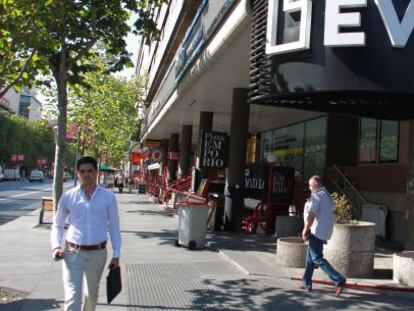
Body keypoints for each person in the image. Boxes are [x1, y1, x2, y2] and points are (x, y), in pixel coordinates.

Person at [50, 156, 121, 311]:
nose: (86, 174)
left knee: (92, 295)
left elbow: (114, 226)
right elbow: (58, 224)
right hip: (72, 253)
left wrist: (117, 254)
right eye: (82, 171)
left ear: (96, 172)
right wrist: (56, 246)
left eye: (90, 171)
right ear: (77, 173)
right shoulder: (68, 196)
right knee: (72, 296)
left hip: (98, 253)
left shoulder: (108, 196)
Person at [301, 175, 346, 297]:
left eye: (310, 185)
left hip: (316, 231)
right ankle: (306, 282)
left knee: (316, 258)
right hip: (322, 231)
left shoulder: (316, 196)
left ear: (315, 184)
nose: (309, 187)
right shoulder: (327, 196)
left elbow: (311, 215)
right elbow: (327, 216)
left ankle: (338, 279)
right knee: (310, 258)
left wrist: (305, 230)